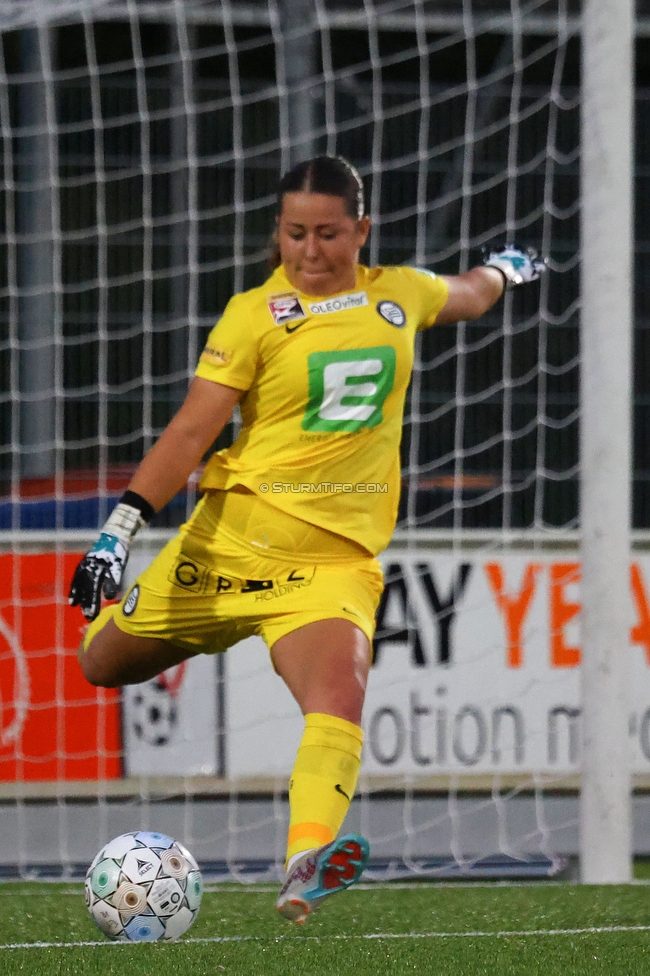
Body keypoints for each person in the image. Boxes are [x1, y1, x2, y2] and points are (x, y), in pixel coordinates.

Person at [69, 155, 544, 923]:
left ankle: (305, 861)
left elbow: (466, 296)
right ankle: (178, 623)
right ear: (278, 234)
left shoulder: (401, 293)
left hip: (326, 568)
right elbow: (193, 429)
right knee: (99, 664)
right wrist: (116, 533)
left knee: (339, 696)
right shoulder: (254, 314)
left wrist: (503, 270)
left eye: (328, 234)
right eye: (295, 233)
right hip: (225, 548)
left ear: (362, 231)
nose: (311, 250)